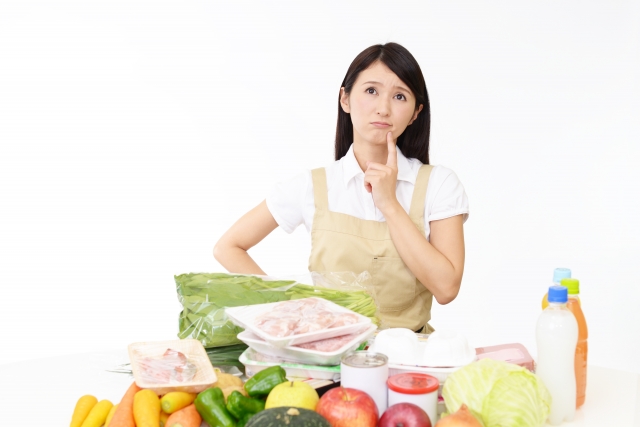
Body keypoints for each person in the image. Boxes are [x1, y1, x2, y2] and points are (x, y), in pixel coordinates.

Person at [214, 43, 469, 333]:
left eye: (400, 96)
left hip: (410, 362)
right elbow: (227, 247)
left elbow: (446, 288)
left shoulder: (439, 184)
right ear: (344, 99)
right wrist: (287, 307)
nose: (383, 108)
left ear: (415, 113)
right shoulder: (312, 186)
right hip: (329, 359)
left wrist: (389, 204)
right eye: (371, 91)